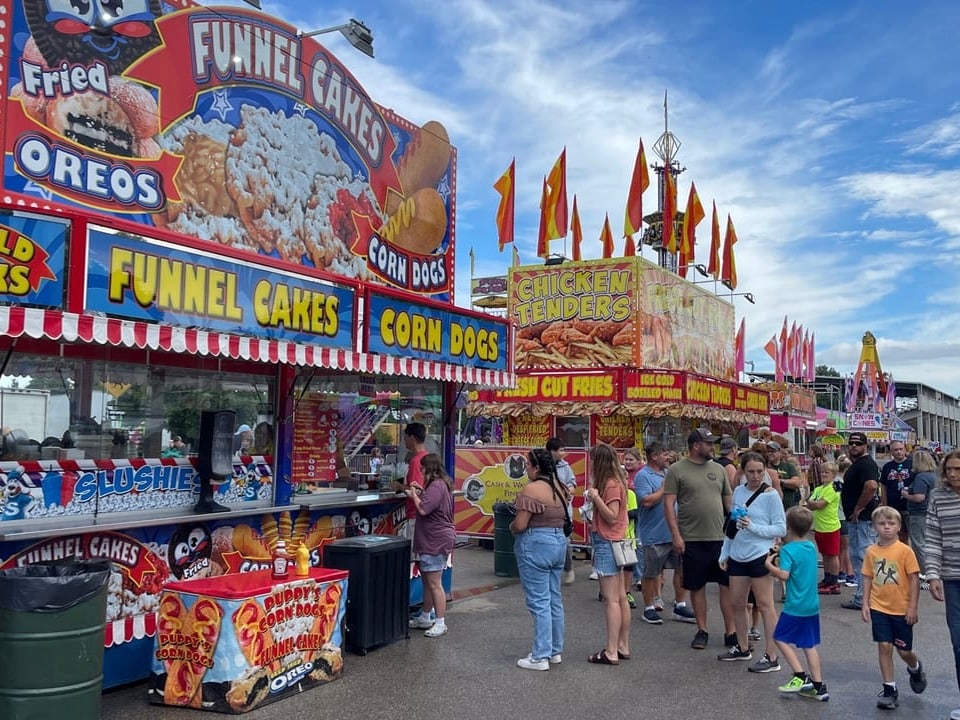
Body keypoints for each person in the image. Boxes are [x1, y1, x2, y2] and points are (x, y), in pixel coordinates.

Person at [663, 428, 737, 650]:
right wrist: (676, 535)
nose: (712, 447)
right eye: (708, 443)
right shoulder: (677, 470)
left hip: (719, 538)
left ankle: (731, 631)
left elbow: (729, 502)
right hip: (692, 538)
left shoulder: (718, 469)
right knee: (697, 586)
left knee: (726, 585)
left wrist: (735, 531)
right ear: (696, 446)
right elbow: (668, 504)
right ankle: (702, 629)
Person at [717, 451, 786, 672]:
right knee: (737, 603)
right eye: (751, 472)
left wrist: (752, 526)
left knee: (765, 605)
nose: (755, 476)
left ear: (765, 470)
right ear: (743, 472)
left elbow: (780, 528)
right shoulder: (738, 491)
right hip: (738, 553)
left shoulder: (771, 495)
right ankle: (743, 646)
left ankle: (771, 655)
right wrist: (724, 552)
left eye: (759, 471)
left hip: (760, 554)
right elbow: (732, 526)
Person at [861, 506, 926, 709]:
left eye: (891, 524)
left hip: (901, 609)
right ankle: (890, 689)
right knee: (884, 645)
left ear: (899, 527)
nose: (886, 527)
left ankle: (915, 668)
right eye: (882, 524)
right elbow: (868, 577)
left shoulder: (905, 551)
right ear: (874, 527)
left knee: (903, 650)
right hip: (879, 606)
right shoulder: (871, 552)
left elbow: (914, 580)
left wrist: (912, 608)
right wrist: (865, 603)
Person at [510, 448, 570, 670]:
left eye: (528, 465)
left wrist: (511, 527)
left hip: (535, 544)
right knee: (554, 598)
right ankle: (555, 651)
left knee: (539, 601)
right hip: (558, 543)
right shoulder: (561, 488)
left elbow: (520, 524)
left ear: (536, 467)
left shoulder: (532, 489)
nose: (526, 469)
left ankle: (540, 656)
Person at [766, 506, 830, 701]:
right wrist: (782, 549)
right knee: (808, 644)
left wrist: (769, 564)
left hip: (796, 605)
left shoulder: (788, 551)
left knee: (779, 637)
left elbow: (784, 575)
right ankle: (818, 686)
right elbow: (797, 557)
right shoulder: (810, 546)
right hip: (812, 604)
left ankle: (799, 675)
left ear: (788, 527)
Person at [635, 442, 696, 624]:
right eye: (664, 454)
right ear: (654, 456)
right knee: (651, 572)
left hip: (675, 532)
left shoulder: (669, 473)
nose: (668, 457)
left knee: (681, 569)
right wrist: (664, 488)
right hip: (654, 534)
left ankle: (680, 604)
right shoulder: (643, 476)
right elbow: (646, 501)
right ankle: (648, 607)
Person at [584, 442, 631, 665]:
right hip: (618, 541)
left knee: (611, 599)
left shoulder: (610, 485)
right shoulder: (619, 481)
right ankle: (622, 644)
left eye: (593, 460)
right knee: (620, 597)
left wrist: (595, 497)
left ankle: (611, 650)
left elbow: (611, 515)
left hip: (607, 541)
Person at [406, 454, 456, 638]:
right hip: (433, 538)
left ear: (429, 469)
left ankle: (440, 621)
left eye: (422, 468)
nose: (421, 471)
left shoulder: (436, 486)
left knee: (435, 583)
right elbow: (429, 503)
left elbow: (424, 509)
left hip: (435, 539)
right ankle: (426, 616)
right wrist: (420, 493)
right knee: (428, 581)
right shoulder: (440, 485)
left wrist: (413, 496)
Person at [926, 450, 960, 720]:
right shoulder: (938, 497)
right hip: (951, 578)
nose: (953, 474)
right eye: (949, 469)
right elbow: (933, 537)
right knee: (959, 643)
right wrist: (933, 575)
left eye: (958, 469)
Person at [840, 432, 881, 611]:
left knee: (863, 556)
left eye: (858, 443)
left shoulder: (866, 464)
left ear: (865, 445)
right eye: (851, 443)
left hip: (862, 519)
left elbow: (871, 486)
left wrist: (858, 507)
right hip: (856, 519)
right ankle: (863, 595)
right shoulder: (858, 464)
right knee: (859, 556)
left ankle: (864, 598)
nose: (854, 446)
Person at [806, 461, 842, 594]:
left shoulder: (833, 488)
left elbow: (819, 504)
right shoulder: (818, 489)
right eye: (822, 472)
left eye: (827, 472)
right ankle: (827, 578)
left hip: (830, 526)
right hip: (819, 526)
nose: (823, 474)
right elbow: (809, 502)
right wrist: (812, 503)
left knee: (832, 555)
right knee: (824, 554)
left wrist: (812, 503)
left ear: (833, 475)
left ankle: (834, 581)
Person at [546, 437, 578, 585]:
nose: (563, 453)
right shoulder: (542, 466)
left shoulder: (565, 466)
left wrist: (568, 492)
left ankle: (569, 568)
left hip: (564, 512)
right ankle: (551, 572)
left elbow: (572, 483)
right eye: (560, 450)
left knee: (565, 542)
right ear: (551, 451)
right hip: (547, 511)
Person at [902, 449, 937, 577]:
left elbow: (919, 497)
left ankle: (925, 571)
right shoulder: (934, 475)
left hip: (919, 513)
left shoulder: (921, 477)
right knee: (929, 543)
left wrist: (906, 494)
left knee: (918, 543)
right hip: (931, 512)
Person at [393, 423, 428, 542]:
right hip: (424, 514)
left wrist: (399, 486)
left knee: (415, 555)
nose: (404, 440)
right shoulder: (428, 458)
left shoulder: (416, 461)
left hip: (415, 514)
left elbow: (416, 491)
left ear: (412, 437)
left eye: (405, 436)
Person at [880, 440, 912, 543]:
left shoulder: (912, 464)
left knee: (914, 535)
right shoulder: (887, 467)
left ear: (905, 450)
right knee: (899, 535)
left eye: (901, 449)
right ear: (891, 452)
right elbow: (883, 486)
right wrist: (884, 504)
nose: (899, 452)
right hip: (893, 506)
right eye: (896, 450)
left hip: (909, 506)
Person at [836, 454, 857, 586]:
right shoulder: (845, 483)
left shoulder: (834, 482)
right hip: (844, 516)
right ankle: (850, 574)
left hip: (836, 516)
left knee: (840, 548)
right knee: (848, 548)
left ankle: (841, 572)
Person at [770, 436, 803, 509]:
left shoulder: (788, 466)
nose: (769, 453)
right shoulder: (764, 467)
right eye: (768, 451)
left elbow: (796, 483)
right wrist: (788, 483)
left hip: (789, 506)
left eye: (772, 451)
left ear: (779, 452)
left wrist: (780, 481)